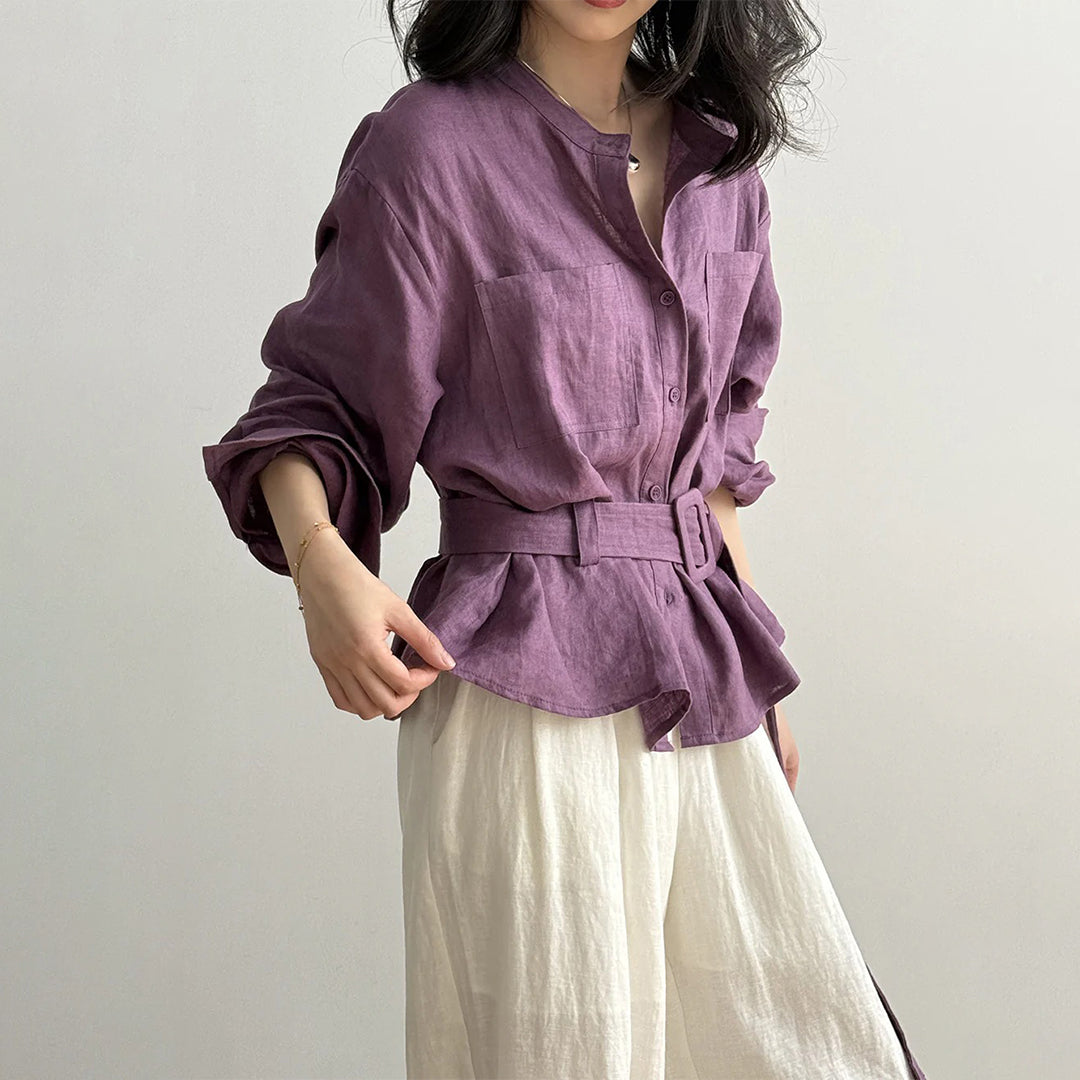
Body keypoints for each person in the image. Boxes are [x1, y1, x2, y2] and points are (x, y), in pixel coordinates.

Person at [202, 1, 930, 1076]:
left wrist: (757, 665)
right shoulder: (432, 147)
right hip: (522, 690)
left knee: (802, 1043)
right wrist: (322, 568)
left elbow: (713, 461)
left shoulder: (723, 163)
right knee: (565, 1051)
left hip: (702, 675)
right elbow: (320, 401)